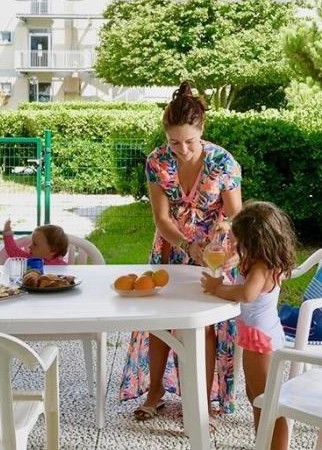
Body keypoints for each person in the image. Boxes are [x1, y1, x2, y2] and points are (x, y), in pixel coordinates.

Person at [121, 80, 243, 421]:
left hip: (213, 253)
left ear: (202, 130)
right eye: (174, 142)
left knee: (202, 326)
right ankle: (155, 392)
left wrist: (225, 241)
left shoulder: (223, 162)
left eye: (189, 141)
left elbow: (236, 216)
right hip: (171, 248)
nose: (183, 149)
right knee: (161, 323)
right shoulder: (157, 161)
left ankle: (199, 401)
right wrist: (189, 246)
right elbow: (161, 219)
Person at [202, 201, 295, 450]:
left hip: (260, 341)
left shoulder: (260, 267)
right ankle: (263, 443)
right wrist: (225, 227)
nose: (235, 245)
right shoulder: (266, 260)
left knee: (268, 400)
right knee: (257, 397)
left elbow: (246, 294)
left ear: (254, 242)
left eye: (240, 241)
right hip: (262, 335)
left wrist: (216, 288)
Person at [2, 219, 69, 264]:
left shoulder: (62, 268)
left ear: (52, 250)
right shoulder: (29, 258)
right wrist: (7, 233)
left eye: (35, 244)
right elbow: (13, 250)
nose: (29, 246)